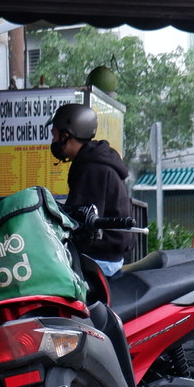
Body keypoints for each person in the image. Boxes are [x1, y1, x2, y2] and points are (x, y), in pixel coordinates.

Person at [50, 103, 133, 276]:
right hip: (108, 255)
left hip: (100, 259)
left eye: (55, 135)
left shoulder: (92, 169)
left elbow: (82, 220)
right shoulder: (94, 161)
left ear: (66, 136)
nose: (53, 141)